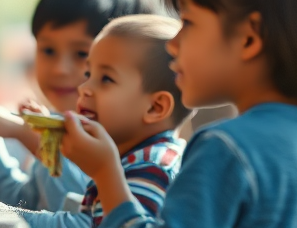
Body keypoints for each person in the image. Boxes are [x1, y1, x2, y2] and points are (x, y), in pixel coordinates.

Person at [61, 0, 297, 228]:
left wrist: (105, 173)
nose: (173, 44)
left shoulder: (225, 149)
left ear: (248, 38)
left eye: (189, 23)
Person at [0, 0, 151, 223]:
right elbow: (26, 201)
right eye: (48, 50)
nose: (59, 69)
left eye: (81, 54)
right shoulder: (60, 125)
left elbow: (76, 213)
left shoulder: (123, 142)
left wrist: (29, 134)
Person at [19, 15, 189, 227]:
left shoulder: (152, 166)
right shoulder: (129, 157)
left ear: (156, 107)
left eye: (106, 79)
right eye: (88, 73)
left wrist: (1, 217)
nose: (84, 88)